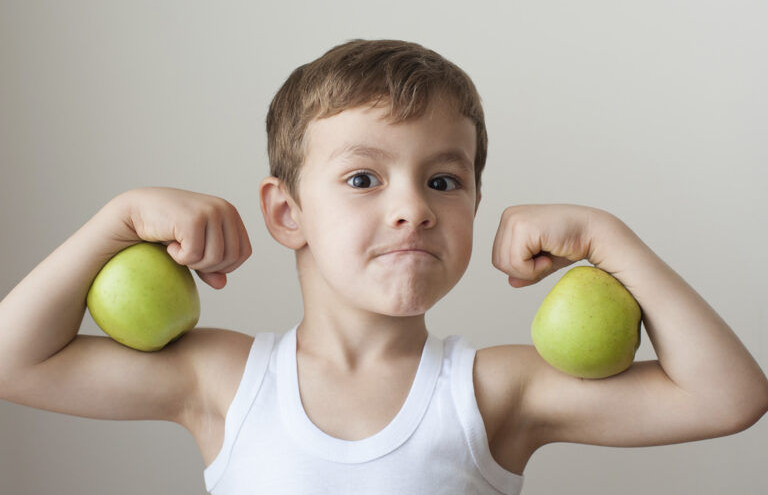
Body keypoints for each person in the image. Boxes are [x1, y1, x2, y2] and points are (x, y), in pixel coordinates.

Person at [0, 39, 766, 494]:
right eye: (364, 178)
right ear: (284, 213)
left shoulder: (492, 392)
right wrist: (119, 218)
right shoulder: (225, 381)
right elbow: (15, 362)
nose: (414, 208)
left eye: (443, 180)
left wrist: (609, 239)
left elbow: (729, 397)